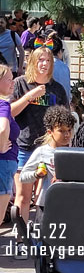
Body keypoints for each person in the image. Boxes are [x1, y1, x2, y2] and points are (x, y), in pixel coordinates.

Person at [12, 47, 68, 231]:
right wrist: (29, 96)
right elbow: (9, 112)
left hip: (51, 149)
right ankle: (21, 239)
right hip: (25, 146)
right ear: (33, 62)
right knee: (23, 196)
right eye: (40, 60)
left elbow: (65, 118)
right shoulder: (20, 84)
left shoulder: (57, 89)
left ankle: (45, 237)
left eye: (48, 60)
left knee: (47, 196)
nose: (44, 64)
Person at [19, 106, 75, 209]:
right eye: (61, 131)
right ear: (50, 132)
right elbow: (22, 177)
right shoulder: (42, 152)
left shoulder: (76, 151)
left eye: (69, 130)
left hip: (69, 203)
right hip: (46, 204)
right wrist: (36, 174)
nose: (66, 134)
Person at [0, 65, 21, 234]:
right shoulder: (3, 105)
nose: (13, 82)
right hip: (5, 162)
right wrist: (0, 146)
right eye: (8, 79)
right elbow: (2, 129)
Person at [47, 34, 71, 101]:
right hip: (64, 105)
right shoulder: (65, 67)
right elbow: (68, 93)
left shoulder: (45, 66)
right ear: (60, 51)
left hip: (49, 104)